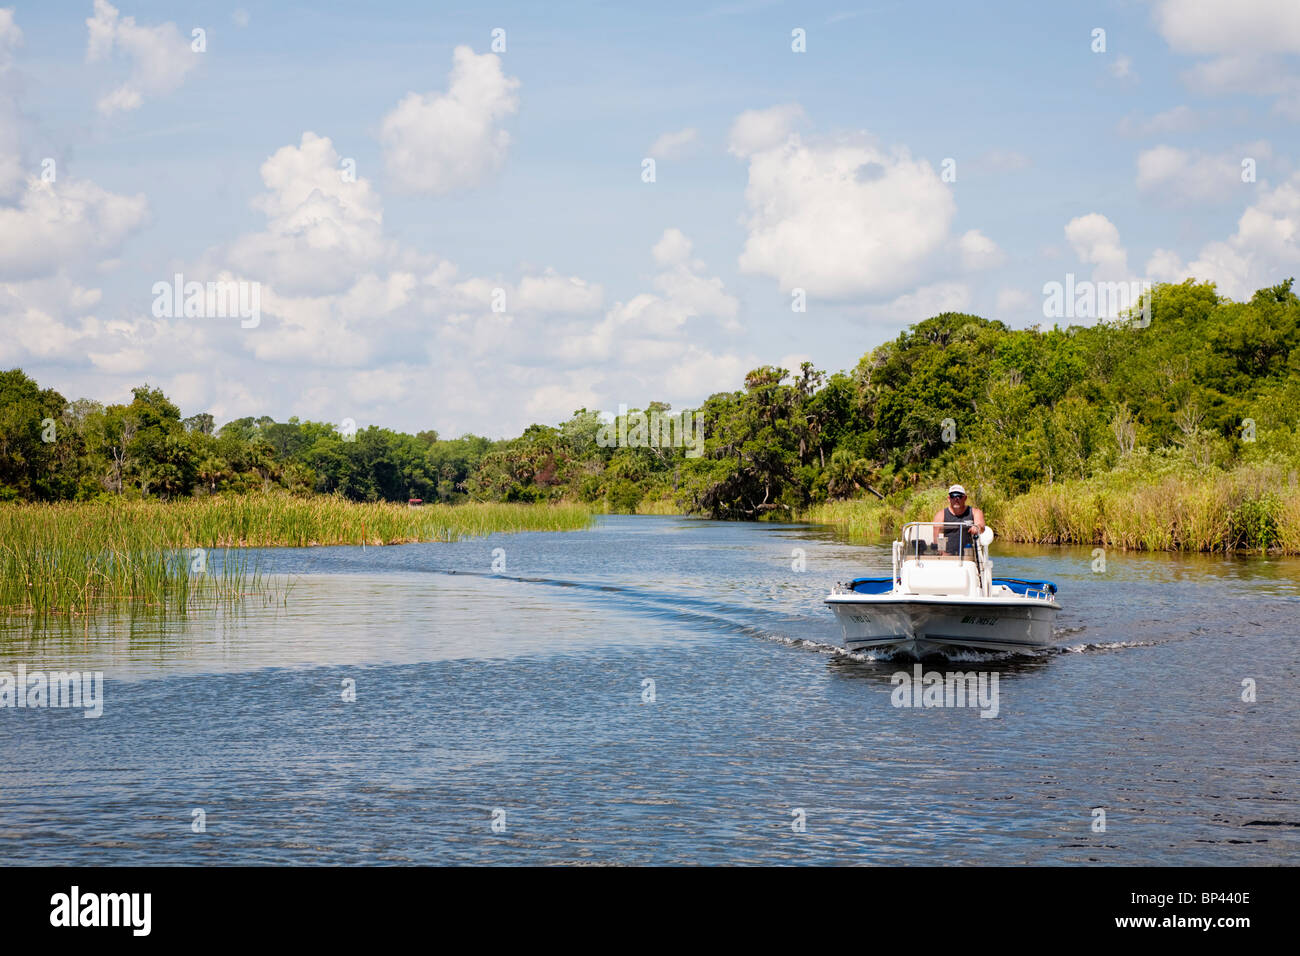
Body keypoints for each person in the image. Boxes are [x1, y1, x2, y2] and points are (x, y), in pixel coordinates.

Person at [931, 484, 985, 555]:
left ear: (965, 498)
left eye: (959, 496)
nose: (956, 499)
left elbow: (981, 527)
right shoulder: (940, 515)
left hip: (969, 556)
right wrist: (943, 554)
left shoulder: (975, 512)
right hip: (947, 557)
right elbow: (937, 540)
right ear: (949, 498)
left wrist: (977, 527)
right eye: (953, 496)